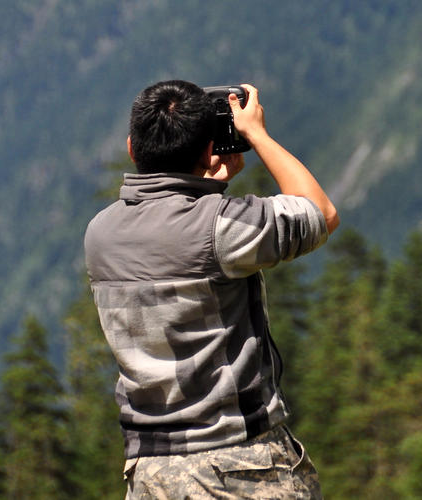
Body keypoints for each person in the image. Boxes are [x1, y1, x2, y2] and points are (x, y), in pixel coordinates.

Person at [84, 80, 339, 499]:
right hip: (240, 467)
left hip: (150, 473)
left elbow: (177, 231)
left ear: (132, 148)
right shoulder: (219, 228)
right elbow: (321, 213)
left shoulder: (100, 234)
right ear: (208, 151)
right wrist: (257, 135)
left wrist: (205, 182)